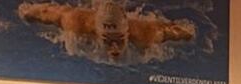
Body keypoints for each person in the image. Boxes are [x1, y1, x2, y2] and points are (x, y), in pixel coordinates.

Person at [18, 0, 195, 62]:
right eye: (108, 40)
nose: (114, 47)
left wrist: (185, 33)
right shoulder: (74, 22)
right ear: (96, 32)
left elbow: (184, 32)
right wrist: (27, 13)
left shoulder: (146, 33)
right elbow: (41, 11)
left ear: (127, 32)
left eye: (119, 39)